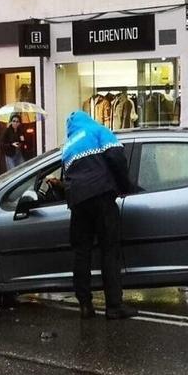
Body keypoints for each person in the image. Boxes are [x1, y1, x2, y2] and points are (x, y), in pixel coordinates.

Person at [62, 110, 137, 320]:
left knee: (81, 253)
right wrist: (124, 186)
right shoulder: (98, 130)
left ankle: (85, 305)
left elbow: (66, 178)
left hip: (78, 203)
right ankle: (114, 306)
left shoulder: (67, 146)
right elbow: (116, 157)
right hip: (102, 196)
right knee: (109, 250)